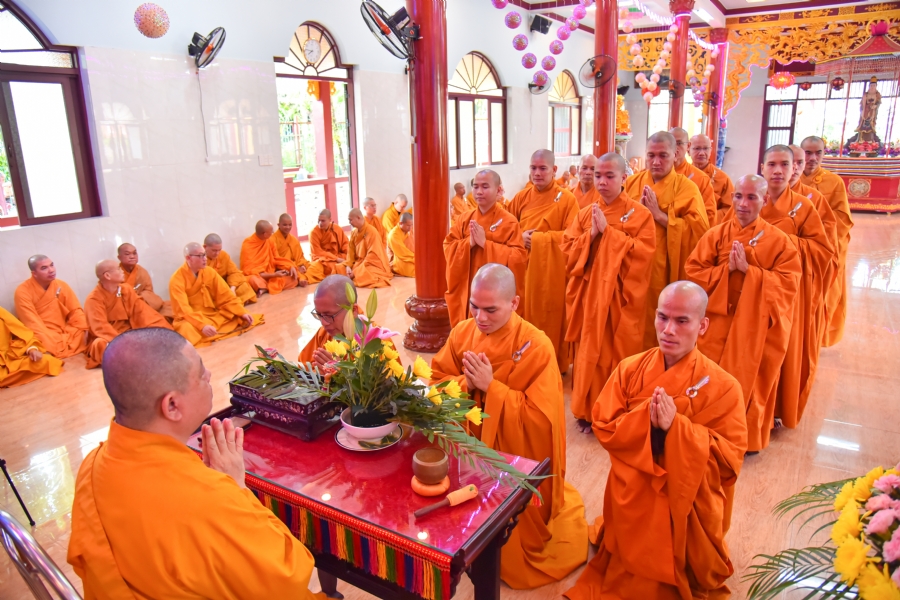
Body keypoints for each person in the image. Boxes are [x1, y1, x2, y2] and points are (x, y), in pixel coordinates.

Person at [67, 327, 325, 598]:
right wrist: (236, 487)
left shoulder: (92, 465)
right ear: (172, 406)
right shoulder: (208, 498)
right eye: (201, 374)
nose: (209, 376)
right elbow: (288, 575)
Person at [564, 281, 747, 600]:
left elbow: (728, 460)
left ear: (702, 325)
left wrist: (676, 428)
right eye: (662, 317)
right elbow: (604, 425)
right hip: (633, 485)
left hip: (685, 495)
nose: (668, 330)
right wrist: (645, 422)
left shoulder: (724, 387)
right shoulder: (629, 369)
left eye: (681, 321)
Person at [430, 264, 588, 589]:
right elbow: (435, 383)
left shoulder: (537, 346)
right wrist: (466, 383)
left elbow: (541, 421)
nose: (480, 317)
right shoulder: (462, 332)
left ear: (515, 303)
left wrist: (492, 388)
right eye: (474, 306)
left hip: (509, 457)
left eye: (491, 309)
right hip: (468, 448)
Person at [685, 175, 801, 454]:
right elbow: (693, 272)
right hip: (717, 323)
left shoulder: (780, 242)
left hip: (757, 327)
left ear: (765, 201)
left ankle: (745, 439)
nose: (743, 203)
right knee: (710, 377)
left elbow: (789, 284)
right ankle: (705, 431)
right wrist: (726, 271)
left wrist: (751, 273)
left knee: (753, 381)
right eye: (738, 196)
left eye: (752, 197)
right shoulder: (715, 235)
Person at [562, 153, 655, 433]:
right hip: (590, 297)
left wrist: (610, 235)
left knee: (615, 352)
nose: (601, 182)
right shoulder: (584, 213)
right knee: (588, 351)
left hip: (619, 299)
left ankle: (615, 409)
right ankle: (585, 409)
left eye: (609, 176)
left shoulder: (641, 215)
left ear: (624, 178)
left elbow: (645, 255)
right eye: (598, 176)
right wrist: (591, 235)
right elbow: (567, 249)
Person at [760, 145, 833, 433]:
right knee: (757, 349)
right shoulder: (752, 200)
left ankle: (778, 409)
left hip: (791, 291)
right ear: (763, 168)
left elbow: (822, 250)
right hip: (755, 288)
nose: (778, 170)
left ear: (794, 170)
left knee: (783, 348)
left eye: (784, 165)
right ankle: (753, 409)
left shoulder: (805, 206)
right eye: (772, 164)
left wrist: (783, 241)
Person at [624, 131, 709, 349]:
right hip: (630, 265)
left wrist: (659, 215)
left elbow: (699, 231)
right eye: (651, 155)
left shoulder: (687, 188)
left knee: (659, 317)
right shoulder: (633, 183)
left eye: (663, 155)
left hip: (663, 267)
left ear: (676, 154)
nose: (656, 161)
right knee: (630, 318)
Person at [507, 149, 579, 371]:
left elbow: (573, 237)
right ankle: (525, 359)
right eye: (533, 168)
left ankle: (553, 362)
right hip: (525, 270)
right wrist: (520, 236)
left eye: (542, 168)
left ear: (554, 170)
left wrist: (537, 240)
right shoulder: (521, 197)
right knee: (523, 313)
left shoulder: (567, 199)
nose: (537, 173)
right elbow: (506, 229)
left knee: (552, 315)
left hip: (552, 273)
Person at [444, 169, 527, 327]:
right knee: (468, 331)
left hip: (494, 293)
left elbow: (519, 258)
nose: (479, 191)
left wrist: (486, 244)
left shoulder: (509, 221)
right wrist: (469, 243)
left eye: (485, 186)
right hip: (468, 288)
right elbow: (448, 246)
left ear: (498, 190)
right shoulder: (464, 219)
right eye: (476, 187)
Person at [800, 135, 853, 347]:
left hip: (823, 246)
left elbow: (842, 220)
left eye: (818, 153)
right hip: (795, 245)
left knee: (823, 295)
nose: (813, 158)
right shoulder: (790, 178)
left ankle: (817, 335)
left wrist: (815, 232)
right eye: (808, 152)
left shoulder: (834, 182)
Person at [170, 243, 263, 347]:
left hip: (212, 314)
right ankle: (206, 330)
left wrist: (241, 312)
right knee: (185, 328)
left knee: (237, 315)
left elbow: (226, 295)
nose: (205, 259)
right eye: (200, 256)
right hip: (192, 318)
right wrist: (202, 326)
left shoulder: (209, 272)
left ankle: (211, 329)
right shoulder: (176, 280)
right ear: (188, 258)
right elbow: (183, 310)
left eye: (204, 255)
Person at [84, 260, 173, 368]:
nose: (122, 271)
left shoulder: (126, 289)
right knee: (100, 344)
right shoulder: (94, 299)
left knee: (160, 329)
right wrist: (123, 341)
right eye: (118, 269)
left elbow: (141, 312)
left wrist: (154, 328)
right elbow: (100, 327)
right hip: (110, 336)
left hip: (131, 331)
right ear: (107, 275)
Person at [14, 255, 90, 359]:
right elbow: (31, 322)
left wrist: (84, 327)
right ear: (34, 273)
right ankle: (50, 348)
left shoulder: (61, 285)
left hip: (65, 330)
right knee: (37, 341)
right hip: (43, 331)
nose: (51, 270)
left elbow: (75, 310)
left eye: (52, 265)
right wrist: (47, 337)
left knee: (83, 329)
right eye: (44, 268)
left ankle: (54, 348)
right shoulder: (22, 291)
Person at [299, 274, 359, 364]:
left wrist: (340, 372)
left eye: (329, 315)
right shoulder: (323, 333)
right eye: (319, 315)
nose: (324, 323)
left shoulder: (374, 339)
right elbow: (304, 367)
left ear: (353, 310)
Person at [0, 306, 63, 387]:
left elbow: (23, 334)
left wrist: (32, 350)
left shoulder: (1, 312)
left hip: (10, 361)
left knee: (48, 362)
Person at [670, 127, 718, 227]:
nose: (675, 148)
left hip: (687, 238)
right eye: (671, 143)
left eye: (679, 143)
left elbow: (709, 217)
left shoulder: (701, 178)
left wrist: (670, 221)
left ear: (688, 146)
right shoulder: (653, 175)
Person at [240, 220, 300, 296]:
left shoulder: (269, 241)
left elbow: (276, 259)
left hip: (271, 274)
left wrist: (290, 266)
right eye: (271, 232)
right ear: (264, 234)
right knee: (251, 279)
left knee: (294, 279)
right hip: (259, 277)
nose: (273, 233)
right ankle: (264, 287)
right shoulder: (248, 244)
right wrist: (274, 275)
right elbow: (250, 271)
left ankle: (263, 288)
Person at [117, 243, 173, 318]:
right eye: (127, 254)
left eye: (134, 253)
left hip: (143, 305)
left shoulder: (141, 271)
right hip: (124, 309)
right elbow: (114, 296)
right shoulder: (114, 273)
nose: (132, 256)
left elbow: (149, 292)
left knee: (172, 311)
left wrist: (138, 297)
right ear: (119, 257)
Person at [689, 134, 734, 222]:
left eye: (705, 148)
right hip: (685, 226)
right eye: (697, 148)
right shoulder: (681, 175)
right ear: (688, 150)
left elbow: (730, 209)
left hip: (712, 228)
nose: (701, 153)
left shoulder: (722, 178)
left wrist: (706, 219)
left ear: (711, 150)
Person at [204, 233, 258, 305]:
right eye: (214, 250)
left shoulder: (223, 255)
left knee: (243, 285)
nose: (217, 253)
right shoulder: (200, 259)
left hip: (226, 284)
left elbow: (234, 272)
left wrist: (232, 288)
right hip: (213, 289)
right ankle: (233, 303)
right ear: (205, 247)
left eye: (219, 250)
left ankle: (234, 302)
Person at [345, 208, 393, 288]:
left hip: (371, 263)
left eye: (351, 220)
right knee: (339, 269)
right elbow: (351, 252)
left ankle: (355, 274)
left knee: (365, 275)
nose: (349, 223)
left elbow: (372, 256)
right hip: (358, 262)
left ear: (358, 218)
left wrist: (356, 271)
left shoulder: (372, 231)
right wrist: (348, 266)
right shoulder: (354, 232)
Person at [273, 213, 323, 285]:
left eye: (290, 225)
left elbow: (300, 257)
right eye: (285, 225)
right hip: (285, 268)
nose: (288, 227)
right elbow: (276, 260)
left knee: (318, 265)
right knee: (278, 280)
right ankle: (300, 278)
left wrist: (302, 265)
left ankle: (302, 277)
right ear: (278, 225)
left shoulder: (293, 239)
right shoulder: (272, 240)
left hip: (296, 265)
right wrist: (294, 267)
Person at [309, 209, 350, 277]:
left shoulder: (337, 228)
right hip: (324, 260)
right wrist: (336, 259)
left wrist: (350, 256)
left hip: (338, 256)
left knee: (351, 260)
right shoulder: (313, 232)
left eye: (323, 221)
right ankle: (345, 272)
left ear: (330, 219)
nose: (320, 223)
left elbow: (345, 244)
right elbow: (317, 252)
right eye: (318, 220)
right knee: (323, 267)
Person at [386, 212, 415, 277]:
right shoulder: (394, 235)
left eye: (412, 225)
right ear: (400, 223)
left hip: (410, 257)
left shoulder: (408, 230)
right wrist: (417, 259)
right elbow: (402, 254)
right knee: (418, 270)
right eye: (408, 225)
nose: (410, 228)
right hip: (398, 260)